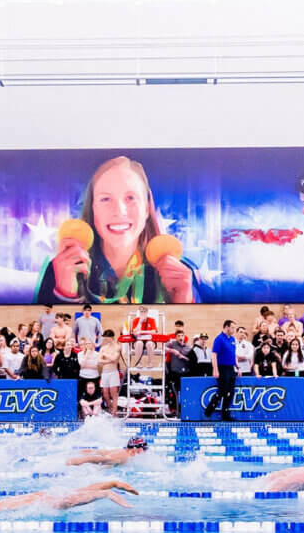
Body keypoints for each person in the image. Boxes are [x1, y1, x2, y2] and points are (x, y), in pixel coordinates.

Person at [36, 156, 196, 305]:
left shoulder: (179, 273)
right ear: (93, 209)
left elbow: (194, 331)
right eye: (105, 199)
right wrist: (64, 294)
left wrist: (183, 301)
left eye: (131, 198)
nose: (119, 211)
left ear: (147, 208)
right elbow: (40, 330)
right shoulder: (60, 268)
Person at [0, 480, 140, 515]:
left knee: (8, 504)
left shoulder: (81, 490)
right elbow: (109, 491)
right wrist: (129, 506)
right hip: (56, 499)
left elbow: (112, 487)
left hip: (51, 497)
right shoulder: (75, 496)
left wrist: (130, 492)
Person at [203, 319, 238, 422]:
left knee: (230, 392)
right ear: (226, 327)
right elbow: (214, 355)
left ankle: (225, 414)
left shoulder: (232, 339)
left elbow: (233, 353)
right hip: (222, 368)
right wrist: (215, 369)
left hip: (231, 368)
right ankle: (208, 411)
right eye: (232, 327)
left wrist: (237, 366)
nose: (234, 329)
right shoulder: (219, 339)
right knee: (222, 391)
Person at [68, 434, 150, 467]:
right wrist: (79, 460)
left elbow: (98, 452)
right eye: (144, 449)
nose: (144, 452)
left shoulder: (121, 451)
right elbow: (101, 459)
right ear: (135, 449)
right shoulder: (124, 456)